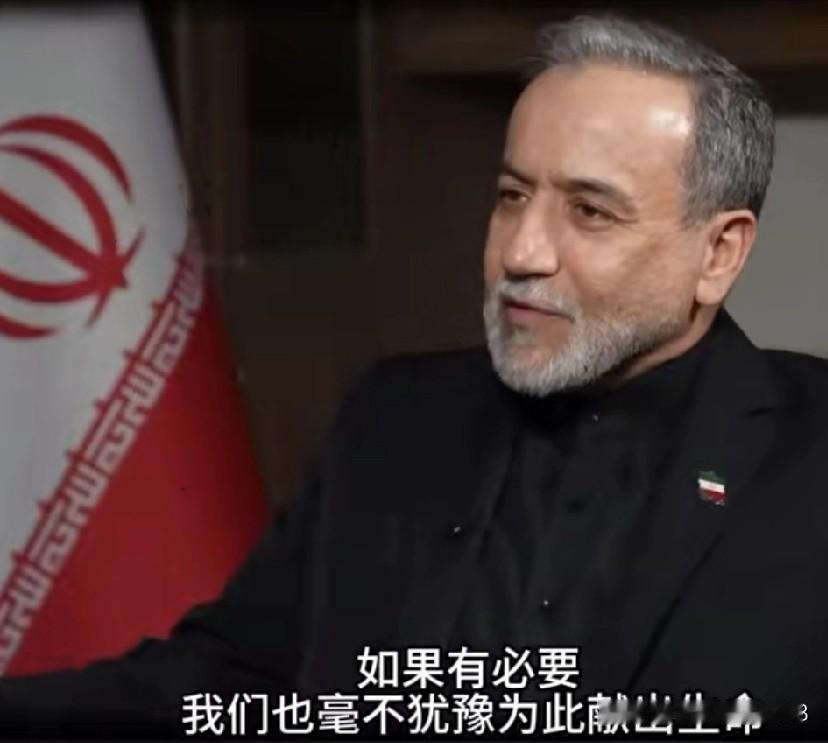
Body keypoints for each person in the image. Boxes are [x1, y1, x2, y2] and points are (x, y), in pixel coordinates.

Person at [1, 13, 827, 738]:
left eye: (590, 211)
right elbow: (233, 680)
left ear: (718, 253)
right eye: (512, 196)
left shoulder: (809, 457)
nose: (521, 253)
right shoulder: (397, 416)